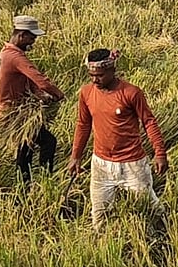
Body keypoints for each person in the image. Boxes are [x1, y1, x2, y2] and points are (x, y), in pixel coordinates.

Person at [67, 49, 168, 228]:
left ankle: (166, 233)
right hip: (101, 164)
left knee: (150, 207)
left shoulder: (131, 93)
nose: (95, 80)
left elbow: (149, 122)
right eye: (91, 75)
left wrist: (160, 153)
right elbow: (83, 124)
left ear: (112, 70)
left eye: (99, 75)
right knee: (99, 213)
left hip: (133, 164)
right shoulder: (86, 93)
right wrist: (76, 156)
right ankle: (102, 243)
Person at [0, 15, 65, 184]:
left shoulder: (8, 53)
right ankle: (43, 181)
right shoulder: (15, 57)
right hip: (14, 113)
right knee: (43, 143)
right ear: (21, 35)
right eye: (31, 37)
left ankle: (28, 185)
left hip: (17, 111)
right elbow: (39, 79)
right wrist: (58, 94)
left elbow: (29, 83)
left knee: (26, 148)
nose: (32, 42)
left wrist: (41, 95)